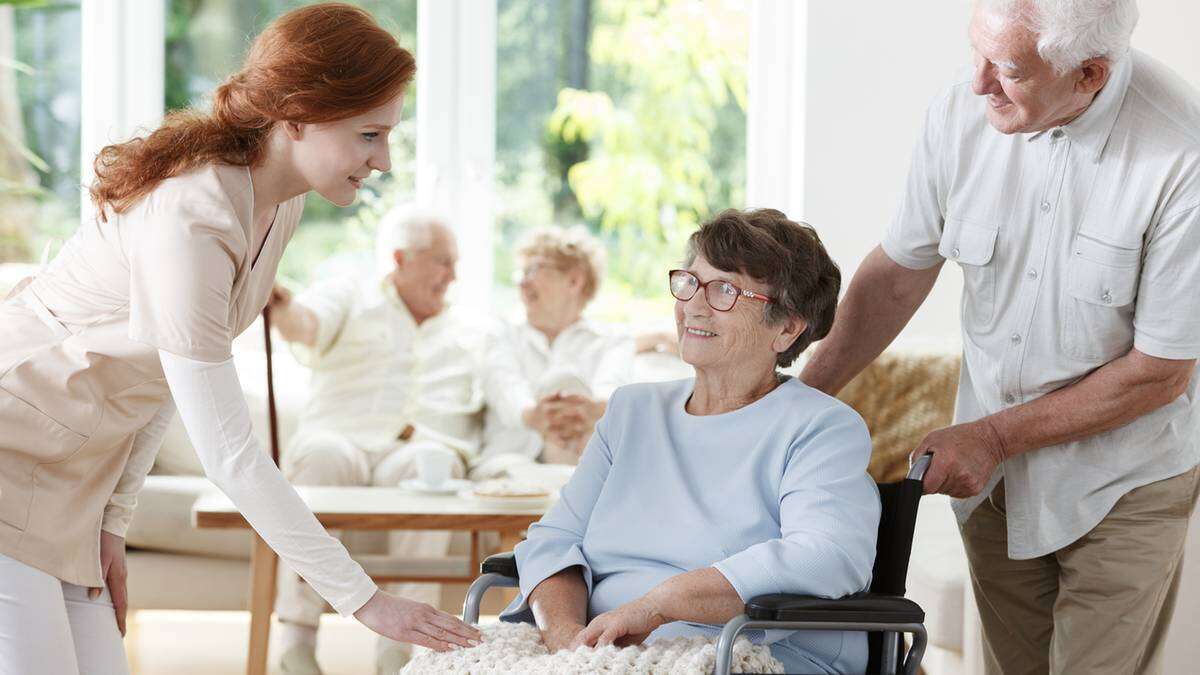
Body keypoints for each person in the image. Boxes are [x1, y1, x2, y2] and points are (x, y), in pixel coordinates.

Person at [0, 4, 480, 673]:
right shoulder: (193, 217)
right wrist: (364, 600)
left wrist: (111, 523)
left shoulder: (276, 202)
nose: (385, 160)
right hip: (12, 448)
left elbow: (172, 370)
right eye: (370, 135)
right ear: (298, 115)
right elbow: (230, 453)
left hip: (75, 477)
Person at [800, 1, 1200, 672]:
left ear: (1089, 75)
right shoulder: (961, 111)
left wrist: (990, 436)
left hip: (1121, 484)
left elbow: (1160, 371)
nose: (978, 82)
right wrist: (800, 399)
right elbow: (898, 273)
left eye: (1008, 68)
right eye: (977, 54)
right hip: (995, 491)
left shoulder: (1181, 156)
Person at [501, 209, 881, 674]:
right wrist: (569, 652)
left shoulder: (821, 427)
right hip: (605, 652)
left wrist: (659, 605)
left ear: (787, 327)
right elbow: (555, 540)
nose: (694, 306)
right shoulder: (631, 412)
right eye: (690, 282)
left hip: (750, 653)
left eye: (724, 289)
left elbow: (825, 555)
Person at [267, 205, 484, 673]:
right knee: (321, 458)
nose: (452, 275)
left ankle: (398, 654)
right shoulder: (350, 293)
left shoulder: (465, 328)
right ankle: (296, 644)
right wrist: (281, 306)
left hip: (410, 448)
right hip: (338, 435)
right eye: (443, 261)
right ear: (401, 258)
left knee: (434, 465)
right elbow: (304, 324)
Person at [476, 226, 635, 475]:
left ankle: (568, 488)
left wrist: (587, 410)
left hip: (584, 465)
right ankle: (569, 496)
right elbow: (505, 388)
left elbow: (611, 392)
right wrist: (533, 415)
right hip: (508, 465)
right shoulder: (501, 335)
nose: (522, 282)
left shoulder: (613, 341)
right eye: (521, 272)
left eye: (533, 270)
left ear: (574, 280)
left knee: (566, 381)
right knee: (564, 382)